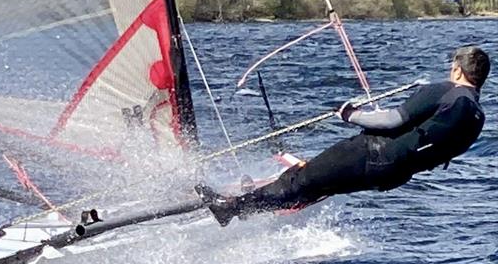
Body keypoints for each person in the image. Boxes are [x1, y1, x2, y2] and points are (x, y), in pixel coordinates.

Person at [197, 46, 489, 226]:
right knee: (313, 189)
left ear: (457, 69)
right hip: (393, 176)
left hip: (372, 153)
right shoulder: (477, 117)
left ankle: (231, 208)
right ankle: (251, 206)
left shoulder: (446, 90)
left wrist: (350, 114)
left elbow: (392, 119)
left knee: (301, 179)